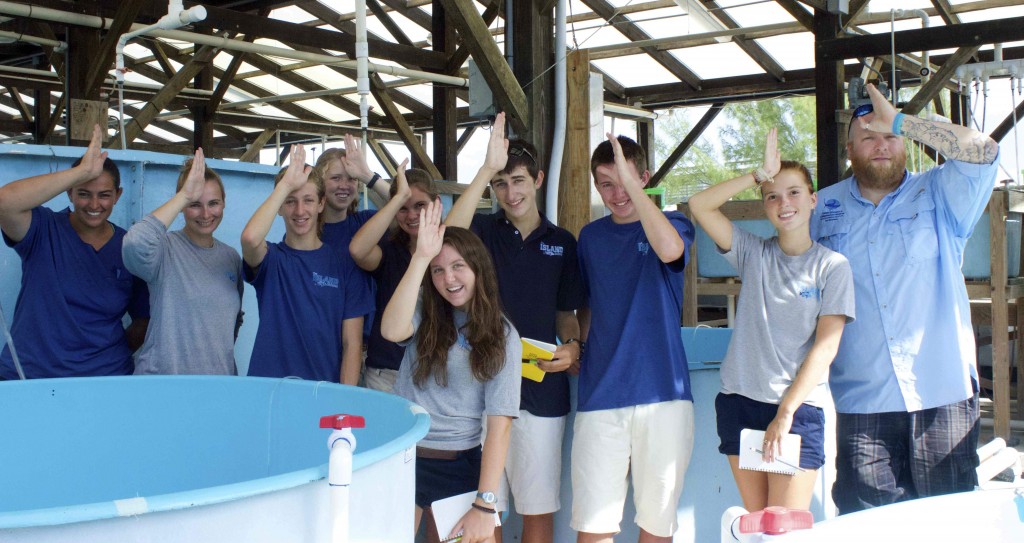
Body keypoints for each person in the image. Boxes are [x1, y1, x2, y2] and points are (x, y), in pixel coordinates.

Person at [810, 83, 1000, 514]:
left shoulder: (941, 193)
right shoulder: (822, 207)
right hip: (862, 399)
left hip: (942, 391)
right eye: (868, 136)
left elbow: (985, 152)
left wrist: (901, 119)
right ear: (849, 148)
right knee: (868, 527)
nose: (881, 145)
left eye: (890, 136)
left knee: (951, 524)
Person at [688, 128, 855, 511]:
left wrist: (785, 412)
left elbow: (826, 348)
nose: (784, 203)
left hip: (795, 410)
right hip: (740, 403)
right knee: (757, 524)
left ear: (813, 200)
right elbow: (699, 205)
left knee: (784, 527)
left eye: (794, 192)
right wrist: (757, 175)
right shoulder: (753, 253)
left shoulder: (832, 266)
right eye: (772, 196)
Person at [445, 112, 585, 543]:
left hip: (542, 391)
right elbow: (448, 231)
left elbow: (566, 314)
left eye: (519, 180)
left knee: (537, 509)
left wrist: (575, 344)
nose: (511, 192)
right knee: (487, 512)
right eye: (501, 183)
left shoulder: (562, 243)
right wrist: (486, 166)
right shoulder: (483, 229)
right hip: (480, 385)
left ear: (539, 179)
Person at [573, 134, 694, 543]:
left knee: (656, 526)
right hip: (600, 394)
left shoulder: (674, 222)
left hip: (664, 394)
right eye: (606, 183)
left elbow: (669, 250)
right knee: (593, 525)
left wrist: (633, 188)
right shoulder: (589, 238)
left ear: (644, 177)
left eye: (626, 180)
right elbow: (587, 306)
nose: (617, 192)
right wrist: (579, 347)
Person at [381, 199, 521, 543]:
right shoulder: (423, 311)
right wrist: (420, 258)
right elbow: (391, 330)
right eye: (438, 270)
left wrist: (486, 505)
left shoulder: (503, 335)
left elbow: (499, 428)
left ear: (479, 269)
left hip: (460, 465)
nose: (449, 278)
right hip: (402, 459)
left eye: (459, 266)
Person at [0, 124, 148, 379]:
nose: (93, 204)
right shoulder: (42, 229)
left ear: (118, 195)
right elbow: (5, 202)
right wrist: (82, 172)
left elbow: (144, 320)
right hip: (28, 377)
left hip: (103, 381)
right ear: (69, 192)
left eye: (104, 195)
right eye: (83, 193)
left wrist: (104, 357)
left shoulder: (130, 247)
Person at [240, 145, 373, 384]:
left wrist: (342, 398)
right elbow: (250, 238)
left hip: (321, 392)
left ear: (321, 204)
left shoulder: (344, 264)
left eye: (308, 200)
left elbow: (351, 344)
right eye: (290, 202)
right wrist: (284, 186)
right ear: (279, 207)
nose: (300, 211)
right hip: (267, 390)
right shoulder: (272, 260)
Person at [122, 149, 244, 375]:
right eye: (194, 204)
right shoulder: (164, 249)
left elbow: (231, 326)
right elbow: (133, 244)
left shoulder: (231, 258)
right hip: (164, 386)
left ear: (224, 203)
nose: (206, 213)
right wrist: (184, 195)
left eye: (214, 203)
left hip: (217, 388)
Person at [349, 160, 438, 392]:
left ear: (436, 204)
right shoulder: (390, 249)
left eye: (420, 205)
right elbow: (358, 250)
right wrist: (396, 198)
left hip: (434, 375)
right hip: (386, 373)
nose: (412, 215)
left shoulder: (449, 249)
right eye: (404, 208)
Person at [316, 133, 392, 246]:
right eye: (336, 178)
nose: (344, 185)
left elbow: (405, 204)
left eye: (352, 179)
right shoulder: (306, 230)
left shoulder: (367, 222)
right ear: (320, 182)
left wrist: (367, 175)